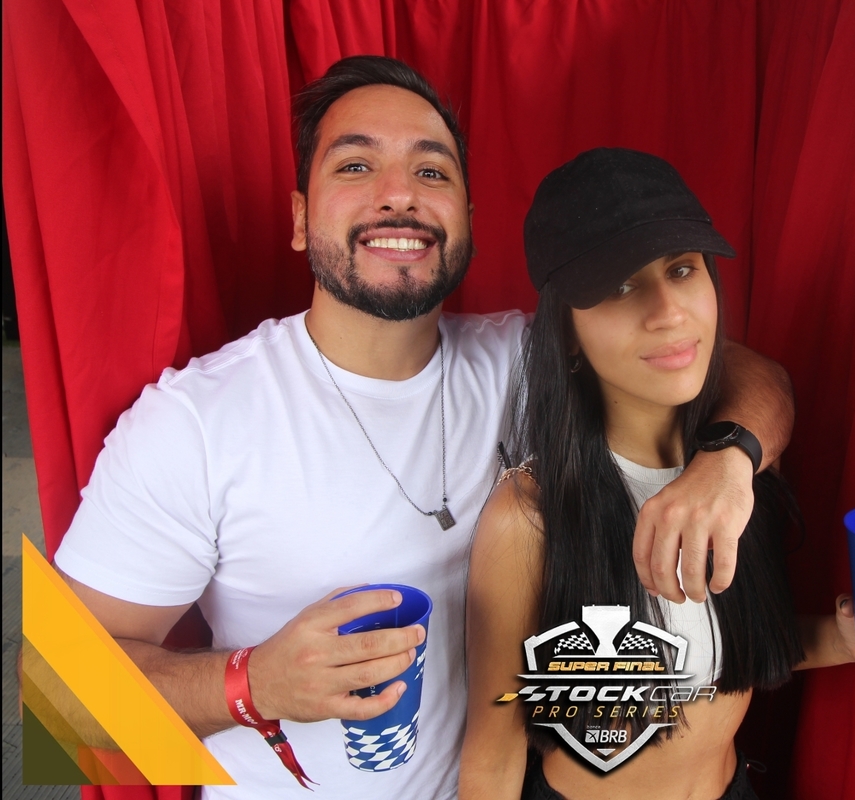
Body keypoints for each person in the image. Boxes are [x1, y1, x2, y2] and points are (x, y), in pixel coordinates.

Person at [51, 57, 797, 798]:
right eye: (355, 166)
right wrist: (253, 685)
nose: (399, 194)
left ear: (467, 220)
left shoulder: (525, 363)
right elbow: (60, 695)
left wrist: (726, 465)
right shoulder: (196, 423)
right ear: (301, 218)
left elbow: (736, 370)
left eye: (431, 171)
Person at [459, 148, 855, 800]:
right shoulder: (529, 518)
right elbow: (492, 759)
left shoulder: (740, 472)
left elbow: (727, 655)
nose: (669, 311)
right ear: (568, 334)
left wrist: (845, 639)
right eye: (622, 285)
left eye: (682, 269)